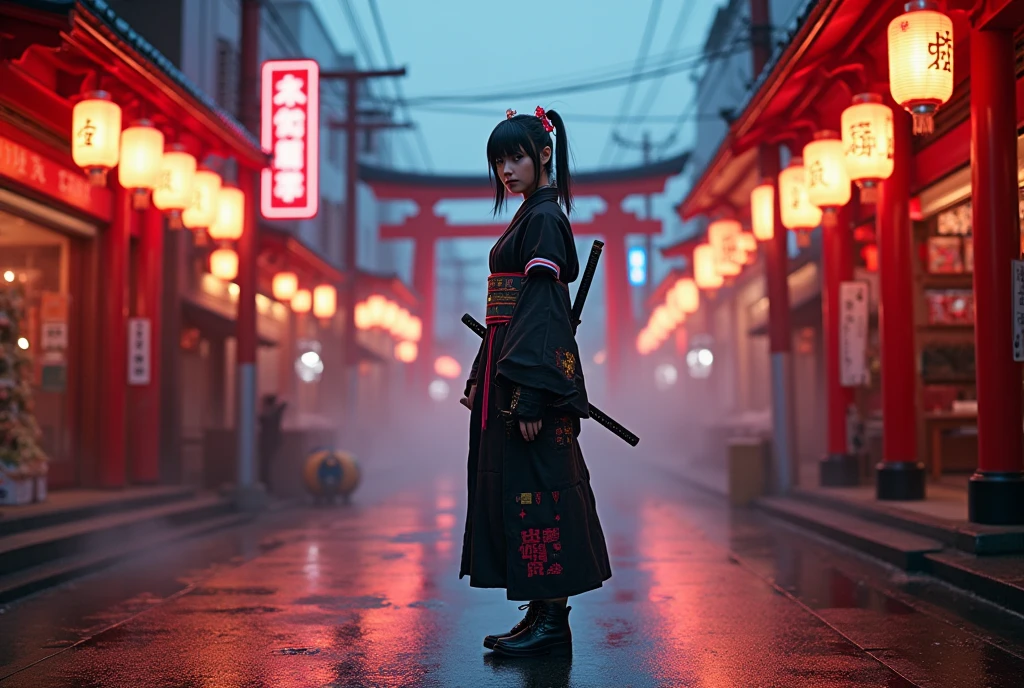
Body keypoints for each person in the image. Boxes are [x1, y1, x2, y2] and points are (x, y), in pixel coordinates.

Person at [459, 106, 611, 658]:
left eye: (516, 156)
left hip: (532, 377)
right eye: (499, 160)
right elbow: (505, 311)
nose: (506, 169)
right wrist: (482, 373)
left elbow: (543, 310)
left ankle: (553, 620)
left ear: (544, 155)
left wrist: (529, 391)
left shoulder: (545, 219)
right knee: (525, 487)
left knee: (540, 492)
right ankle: (541, 613)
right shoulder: (529, 216)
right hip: (513, 366)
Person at [258, 393, 287, 492]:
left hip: (269, 442)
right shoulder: (274, 413)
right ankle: (267, 487)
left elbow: (284, 405)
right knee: (266, 466)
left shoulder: (271, 414)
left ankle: (267, 487)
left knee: (266, 466)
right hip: (271, 442)